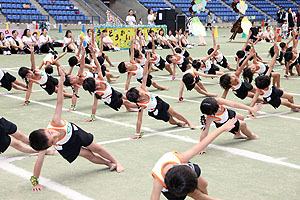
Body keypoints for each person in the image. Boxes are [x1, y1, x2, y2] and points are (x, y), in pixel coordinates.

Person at [28, 68, 124, 192]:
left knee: (96, 148)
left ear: (45, 129)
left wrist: (61, 81)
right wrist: (35, 182)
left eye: (51, 132)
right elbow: (39, 162)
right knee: (89, 155)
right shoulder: (44, 144)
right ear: (50, 145)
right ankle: (108, 163)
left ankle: (116, 162)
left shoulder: (55, 122)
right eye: (53, 141)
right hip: (67, 146)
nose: (55, 135)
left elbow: (59, 102)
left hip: (75, 133)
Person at [150, 118, 237, 200]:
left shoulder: (181, 158)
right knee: (196, 194)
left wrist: (222, 128)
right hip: (173, 188)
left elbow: (203, 143)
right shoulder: (159, 181)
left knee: (204, 184)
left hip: (181, 172)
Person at [126, 52, 195, 139]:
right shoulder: (141, 106)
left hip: (159, 101)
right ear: (139, 98)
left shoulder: (143, 89)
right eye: (139, 91)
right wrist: (137, 134)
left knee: (174, 113)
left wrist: (147, 61)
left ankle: (189, 122)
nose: (140, 89)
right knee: (171, 120)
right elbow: (139, 120)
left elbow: (145, 75)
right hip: (156, 111)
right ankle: (178, 123)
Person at [82, 43, 137, 121]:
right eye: (94, 81)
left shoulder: (99, 78)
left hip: (112, 91)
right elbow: (95, 105)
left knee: (125, 96)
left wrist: (93, 54)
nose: (95, 79)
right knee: (125, 102)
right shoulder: (98, 93)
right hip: (111, 100)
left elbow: (98, 66)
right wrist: (92, 117)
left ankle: (129, 109)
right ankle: (140, 106)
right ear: (93, 86)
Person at [250, 41, 300, 112]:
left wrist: (276, 54)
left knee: (290, 97)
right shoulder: (259, 90)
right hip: (271, 98)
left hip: (273, 90)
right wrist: (250, 113)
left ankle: (293, 108)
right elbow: (253, 101)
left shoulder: (265, 78)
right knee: (288, 104)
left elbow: (271, 67)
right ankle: (293, 107)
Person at [220, 50, 264, 118]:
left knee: (257, 91)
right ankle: (250, 113)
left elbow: (243, 65)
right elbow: (223, 97)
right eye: (231, 77)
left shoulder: (236, 75)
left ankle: (265, 95)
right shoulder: (229, 86)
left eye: (231, 75)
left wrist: (249, 56)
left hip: (244, 84)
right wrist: (220, 104)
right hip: (240, 91)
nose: (233, 75)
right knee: (256, 98)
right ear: (230, 83)